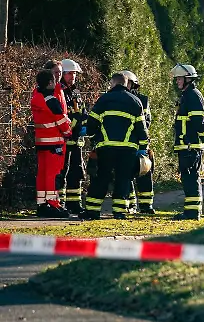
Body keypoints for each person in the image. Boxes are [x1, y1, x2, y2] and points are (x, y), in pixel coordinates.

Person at [82, 72, 149, 220]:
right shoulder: (135, 101)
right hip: (128, 149)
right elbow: (142, 128)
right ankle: (119, 212)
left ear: (112, 83)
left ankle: (92, 211)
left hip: (106, 147)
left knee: (101, 178)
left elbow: (92, 124)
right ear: (126, 84)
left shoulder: (104, 99)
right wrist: (143, 148)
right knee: (123, 179)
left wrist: (93, 136)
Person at [30, 70, 73, 218]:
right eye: (54, 80)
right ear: (50, 83)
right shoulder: (51, 100)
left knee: (42, 175)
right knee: (53, 176)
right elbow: (61, 121)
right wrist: (69, 132)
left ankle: (42, 204)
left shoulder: (36, 97)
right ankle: (53, 204)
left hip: (41, 142)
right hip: (54, 143)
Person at [171, 64, 204, 220]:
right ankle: (190, 211)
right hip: (186, 145)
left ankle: (192, 213)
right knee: (188, 178)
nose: (177, 81)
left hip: (191, 145)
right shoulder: (187, 95)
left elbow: (198, 120)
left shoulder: (193, 95)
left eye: (179, 78)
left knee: (191, 178)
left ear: (188, 78)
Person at [122, 70, 156, 214]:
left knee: (145, 173)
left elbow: (146, 122)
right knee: (126, 173)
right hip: (126, 142)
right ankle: (131, 204)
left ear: (133, 84)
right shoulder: (119, 98)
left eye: (128, 83)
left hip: (140, 142)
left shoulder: (143, 100)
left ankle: (146, 205)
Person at [58, 59, 88, 215]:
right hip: (64, 140)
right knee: (62, 172)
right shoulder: (59, 92)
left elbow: (82, 112)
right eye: (70, 73)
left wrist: (85, 124)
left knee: (76, 172)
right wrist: (75, 125)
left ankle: (74, 203)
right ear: (62, 74)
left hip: (76, 142)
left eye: (75, 74)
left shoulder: (76, 92)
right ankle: (60, 203)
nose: (73, 76)